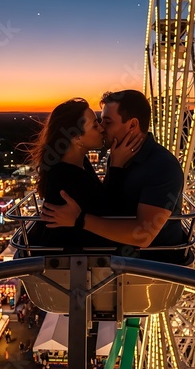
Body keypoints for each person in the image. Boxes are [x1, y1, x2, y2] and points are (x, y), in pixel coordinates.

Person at [41, 90, 186, 262]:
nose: (102, 128)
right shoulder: (117, 156)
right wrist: (115, 167)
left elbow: (142, 235)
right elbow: (108, 204)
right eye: (98, 122)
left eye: (107, 122)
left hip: (154, 264)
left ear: (132, 125)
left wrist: (80, 220)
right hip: (115, 259)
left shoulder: (162, 166)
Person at [27, 97, 140, 249]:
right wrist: (117, 167)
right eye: (95, 126)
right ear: (75, 137)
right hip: (73, 264)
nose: (101, 128)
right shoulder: (65, 176)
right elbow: (110, 213)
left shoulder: (81, 164)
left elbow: (100, 202)